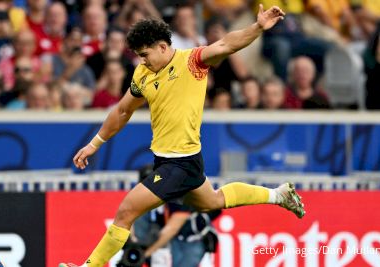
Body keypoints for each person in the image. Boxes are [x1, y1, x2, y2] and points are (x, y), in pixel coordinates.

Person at [61, 5, 305, 267]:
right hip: (169, 161)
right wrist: (94, 144)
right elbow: (122, 111)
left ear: (163, 47)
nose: (142, 60)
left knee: (126, 211)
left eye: (145, 54)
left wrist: (257, 27)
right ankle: (278, 195)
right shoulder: (142, 74)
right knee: (214, 200)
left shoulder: (192, 61)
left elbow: (226, 44)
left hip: (181, 162)